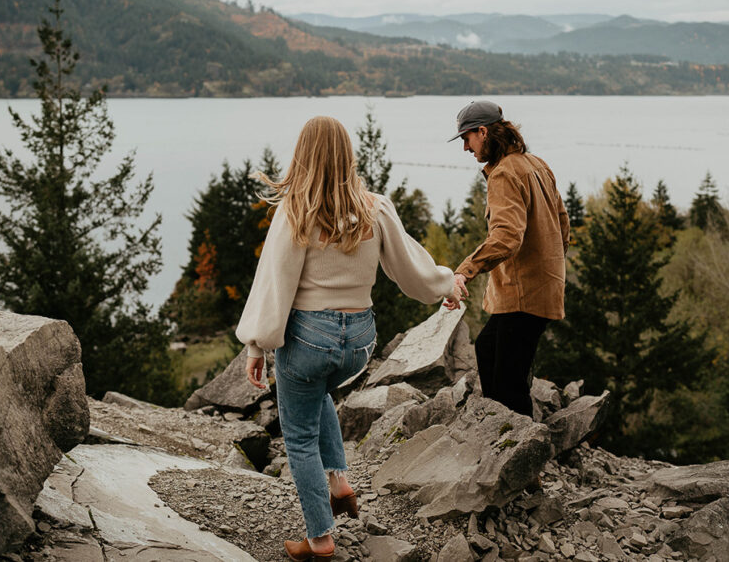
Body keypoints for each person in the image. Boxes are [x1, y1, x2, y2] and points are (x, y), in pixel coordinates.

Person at [237, 116, 458, 561]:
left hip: (309, 338)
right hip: (359, 342)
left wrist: (256, 343)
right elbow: (410, 268)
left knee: (298, 435)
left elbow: (274, 282)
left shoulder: (296, 211)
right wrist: (446, 285)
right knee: (315, 392)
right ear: (347, 155)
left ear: (303, 155)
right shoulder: (374, 207)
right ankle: (339, 481)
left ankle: (319, 539)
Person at [443, 100, 569, 417]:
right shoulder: (536, 164)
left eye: (466, 138)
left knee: (508, 382)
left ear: (483, 132)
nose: (465, 148)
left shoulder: (504, 175)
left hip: (524, 293)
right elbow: (563, 223)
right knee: (487, 350)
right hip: (537, 288)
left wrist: (463, 273)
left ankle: (517, 450)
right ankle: (505, 439)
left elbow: (506, 237)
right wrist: (552, 266)